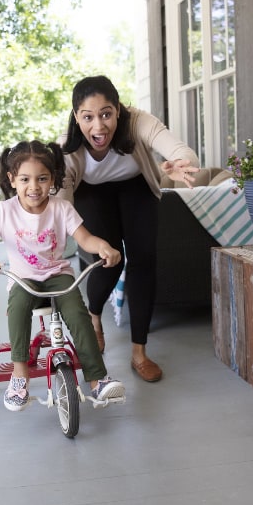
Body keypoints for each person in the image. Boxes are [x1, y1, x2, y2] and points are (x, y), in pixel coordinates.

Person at [0, 139, 126, 412]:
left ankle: (98, 379)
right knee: (19, 307)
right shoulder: (5, 211)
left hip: (57, 274)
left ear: (53, 180)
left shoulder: (61, 208)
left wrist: (104, 247)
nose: (34, 187)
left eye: (42, 179)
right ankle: (20, 375)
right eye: (25, 179)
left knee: (78, 313)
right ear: (12, 180)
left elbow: (86, 239)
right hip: (23, 277)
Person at [59, 75, 200, 383]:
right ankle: (94, 318)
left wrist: (182, 163)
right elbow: (62, 204)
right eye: (88, 117)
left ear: (118, 111)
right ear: (76, 116)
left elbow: (180, 150)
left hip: (135, 188)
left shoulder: (137, 121)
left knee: (144, 261)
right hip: (92, 192)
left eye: (106, 114)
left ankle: (139, 352)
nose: (99, 126)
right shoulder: (67, 150)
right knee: (109, 262)